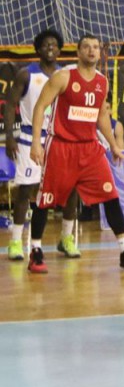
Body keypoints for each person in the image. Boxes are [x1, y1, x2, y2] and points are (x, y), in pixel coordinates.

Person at [28, 34, 124, 274]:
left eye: (95, 47)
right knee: (45, 199)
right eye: (86, 47)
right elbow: (40, 106)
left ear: (100, 52)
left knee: (111, 195)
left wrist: (113, 145)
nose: (91, 50)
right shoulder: (64, 76)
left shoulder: (102, 82)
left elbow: (101, 116)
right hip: (61, 147)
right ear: (78, 52)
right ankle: (35, 251)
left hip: (90, 148)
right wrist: (36, 142)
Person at [3, 29, 80, 261]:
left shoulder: (66, 76)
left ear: (60, 50)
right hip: (30, 138)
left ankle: (66, 238)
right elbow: (10, 104)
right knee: (26, 191)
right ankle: (16, 242)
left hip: (59, 139)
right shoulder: (26, 74)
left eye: (54, 45)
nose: (50, 48)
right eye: (46, 44)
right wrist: (10, 136)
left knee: (71, 189)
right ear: (37, 49)